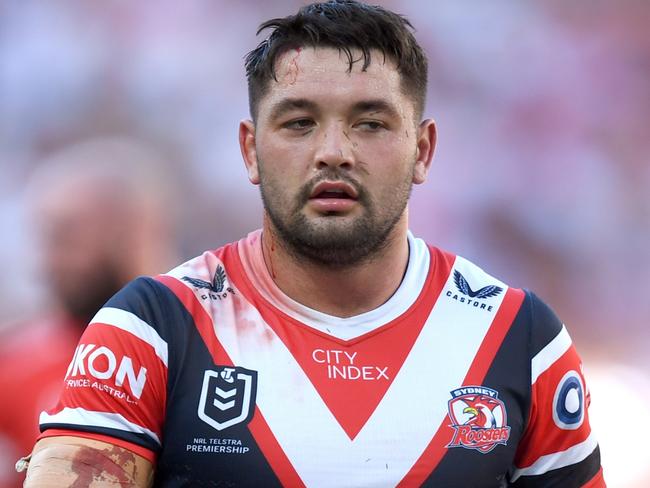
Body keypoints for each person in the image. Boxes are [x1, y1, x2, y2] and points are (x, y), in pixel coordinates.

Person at [21, 1, 604, 486]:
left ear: (423, 150)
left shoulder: (519, 337)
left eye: (370, 122)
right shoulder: (152, 327)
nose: (333, 151)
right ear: (250, 150)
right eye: (298, 122)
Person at [0, 137, 179, 488]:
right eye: (44, 238)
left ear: (135, 231)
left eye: (66, 236)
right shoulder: (16, 363)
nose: (47, 262)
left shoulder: (213, 353)